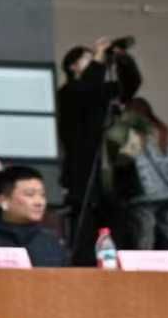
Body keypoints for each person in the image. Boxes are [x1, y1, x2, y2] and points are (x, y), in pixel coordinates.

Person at [57, 38, 141, 264]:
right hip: (85, 176)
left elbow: (131, 84)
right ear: (73, 66)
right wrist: (98, 58)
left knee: (119, 234)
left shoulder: (103, 91)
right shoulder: (69, 92)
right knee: (86, 234)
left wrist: (122, 59)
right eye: (88, 58)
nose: (98, 60)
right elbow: (87, 88)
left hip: (113, 176)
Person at [105, 98, 168, 268]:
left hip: (147, 193)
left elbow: (124, 159)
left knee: (144, 236)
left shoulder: (138, 133)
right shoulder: (166, 132)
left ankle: (143, 271)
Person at [0, 165, 67, 267]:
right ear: (3, 201)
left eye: (42, 195)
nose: (39, 202)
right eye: (30, 194)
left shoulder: (51, 242)